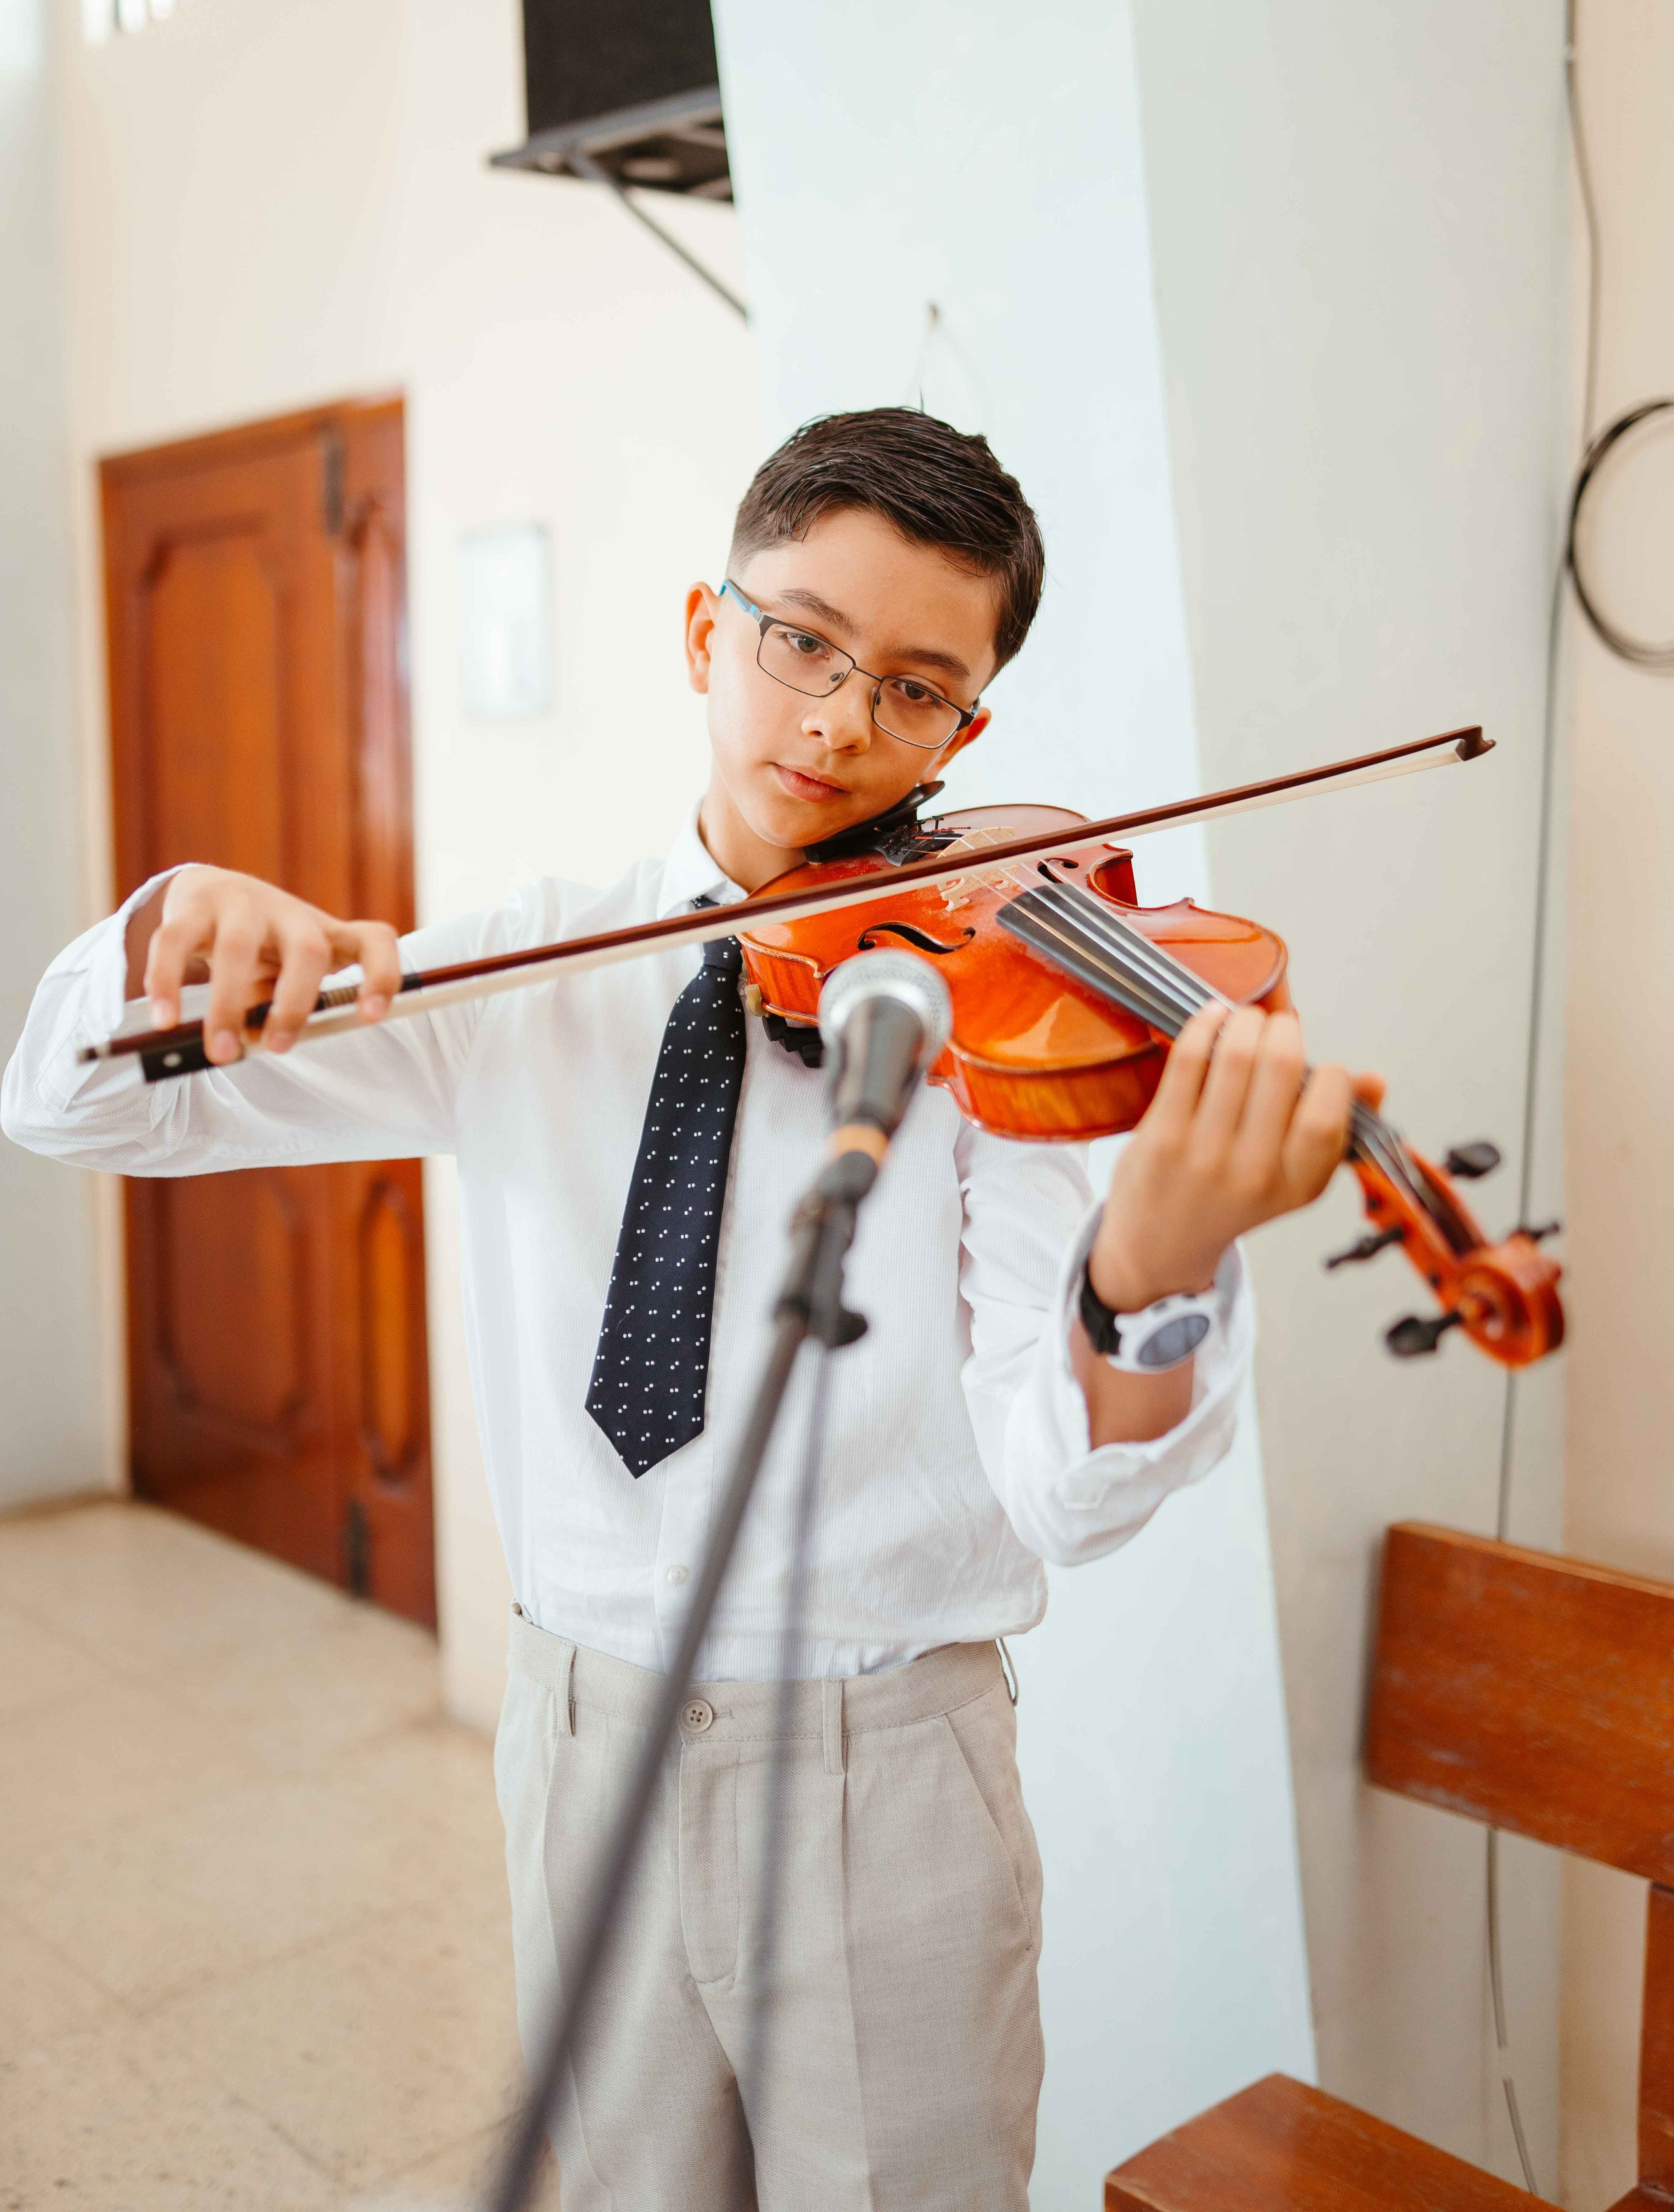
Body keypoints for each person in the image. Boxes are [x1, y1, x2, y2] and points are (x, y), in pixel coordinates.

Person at [3, 409, 1369, 2212]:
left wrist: (1152, 1277)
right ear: (704, 631)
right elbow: (71, 1102)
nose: (835, 721)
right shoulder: (523, 973)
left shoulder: (992, 1012)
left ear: (972, 728)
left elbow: (1064, 1489)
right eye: (801, 640)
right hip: (581, 1741)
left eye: (913, 687)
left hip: (890, 1764)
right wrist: (178, 920)